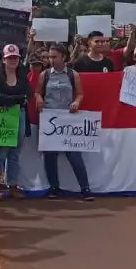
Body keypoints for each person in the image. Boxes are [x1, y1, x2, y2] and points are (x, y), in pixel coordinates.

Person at [35, 44, 93, 200]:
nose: (51, 60)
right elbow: (37, 92)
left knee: (74, 155)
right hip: (50, 119)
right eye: (49, 57)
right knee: (50, 156)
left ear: (64, 57)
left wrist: (76, 102)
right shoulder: (44, 75)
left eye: (54, 57)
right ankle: (54, 187)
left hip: (68, 120)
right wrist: (39, 98)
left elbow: (80, 94)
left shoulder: (73, 75)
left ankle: (85, 188)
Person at [0, 44, 30, 201]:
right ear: (4, 60)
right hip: (3, 116)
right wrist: (16, 99)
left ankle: (13, 185)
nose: (13, 60)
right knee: (0, 152)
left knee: (15, 153)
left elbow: (27, 94)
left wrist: (11, 100)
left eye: (15, 58)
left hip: (19, 114)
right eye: (9, 58)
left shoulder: (22, 74)